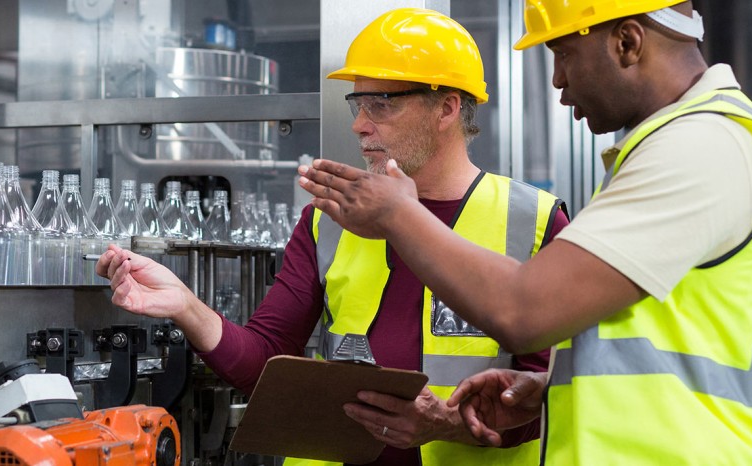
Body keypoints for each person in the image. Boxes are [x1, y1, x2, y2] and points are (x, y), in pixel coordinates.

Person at [297, 1, 752, 464]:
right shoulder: (677, 144)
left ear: (627, 42)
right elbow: (665, 344)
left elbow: (524, 312)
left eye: (563, 54)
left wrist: (396, 214)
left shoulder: (703, 145)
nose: (559, 82)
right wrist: (555, 388)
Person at [96, 8, 568, 466]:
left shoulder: (534, 222)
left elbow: (560, 396)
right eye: (358, 105)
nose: (360, 124)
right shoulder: (328, 222)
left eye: (382, 104)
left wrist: (446, 424)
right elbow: (266, 363)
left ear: (446, 108)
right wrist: (184, 305)